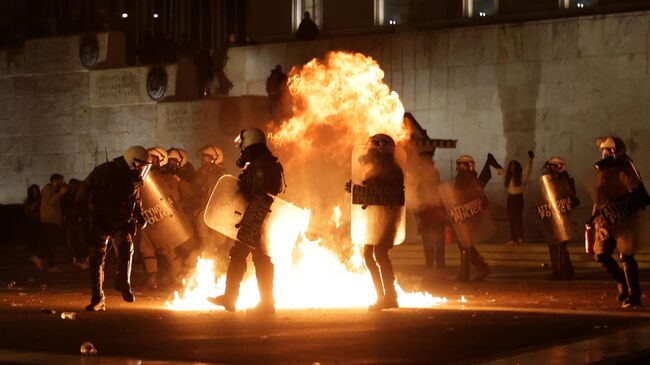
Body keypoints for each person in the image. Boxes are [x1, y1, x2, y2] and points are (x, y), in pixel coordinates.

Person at [208, 128, 284, 314]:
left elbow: (260, 196)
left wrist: (250, 221)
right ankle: (236, 299)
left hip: (256, 219)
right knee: (250, 257)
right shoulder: (262, 163)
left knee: (256, 258)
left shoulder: (261, 166)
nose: (241, 149)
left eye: (243, 145)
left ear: (250, 143)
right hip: (257, 218)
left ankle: (259, 303)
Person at [76, 146, 152, 311]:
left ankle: (123, 281)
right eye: (142, 165)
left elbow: (135, 199)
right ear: (133, 161)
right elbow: (86, 187)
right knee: (96, 256)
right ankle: (98, 298)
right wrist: (78, 208)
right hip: (100, 217)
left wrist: (139, 216)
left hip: (119, 218)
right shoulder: (104, 171)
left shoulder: (133, 177)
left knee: (125, 244)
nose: (143, 169)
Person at [589, 136, 650, 308]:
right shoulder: (602, 170)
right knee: (601, 255)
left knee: (626, 256)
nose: (602, 152)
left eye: (605, 149)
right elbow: (599, 197)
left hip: (623, 218)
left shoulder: (624, 167)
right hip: (606, 219)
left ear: (613, 150)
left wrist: (621, 205)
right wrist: (593, 218)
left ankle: (634, 295)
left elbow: (635, 191)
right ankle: (622, 282)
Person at [355, 134, 404, 311]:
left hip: (387, 217)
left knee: (380, 254)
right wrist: (356, 191)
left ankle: (390, 296)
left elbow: (391, 195)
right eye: (376, 145)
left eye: (382, 145)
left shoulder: (394, 170)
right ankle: (382, 296)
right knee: (368, 256)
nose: (378, 148)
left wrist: (370, 188)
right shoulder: (371, 168)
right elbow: (370, 194)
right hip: (373, 218)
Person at [450, 155, 491, 282]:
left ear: (470, 166)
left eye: (463, 165)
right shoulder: (461, 180)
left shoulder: (471, 180)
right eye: (460, 165)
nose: (461, 167)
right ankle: (482, 268)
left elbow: (480, 199)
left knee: (464, 244)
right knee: (466, 244)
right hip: (462, 215)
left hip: (470, 216)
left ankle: (465, 273)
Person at [537, 157, 577, 280]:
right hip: (554, 216)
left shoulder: (564, 180)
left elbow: (568, 197)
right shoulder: (554, 179)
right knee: (557, 244)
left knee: (558, 244)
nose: (550, 169)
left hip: (561, 217)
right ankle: (566, 270)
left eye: (552, 166)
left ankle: (560, 271)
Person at [413, 152, 446, 270]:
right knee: (429, 240)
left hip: (434, 213)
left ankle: (436, 262)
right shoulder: (423, 182)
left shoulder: (433, 180)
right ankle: (433, 263)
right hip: (427, 213)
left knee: (437, 240)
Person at [494, 152, 534, 245]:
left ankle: (520, 237)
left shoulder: (521, 176)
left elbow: (528, 168)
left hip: (518, 198)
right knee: (512, 219)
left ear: (516, 167)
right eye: (510, 166)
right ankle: (513, 238)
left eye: (513, 166)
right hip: (510, 198)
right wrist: (491, 160)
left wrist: (531, 159)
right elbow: (499, 168)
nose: (512, 168)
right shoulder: (507, 176)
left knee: (518, 218)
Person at [40, 173, 68, 271]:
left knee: (53, 243)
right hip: (49, 221)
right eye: (60, 181)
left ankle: (46, 263)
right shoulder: (48, 189)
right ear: (54, 181)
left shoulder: (54, 191)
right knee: (50, 243)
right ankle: (49, 264)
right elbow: (51, 202)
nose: (62, 183)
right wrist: (60, 193)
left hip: (54, 221)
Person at [61, 178, 88, 269]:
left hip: (76, 219)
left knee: (79, 239)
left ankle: (77, 256)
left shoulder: (76, 195)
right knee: (71, 239)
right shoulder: (69, 196)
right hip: (71, 220)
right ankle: (73, 257)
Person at [24, 184, 44, 270]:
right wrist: (31, 207)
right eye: (33, 191)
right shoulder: (28, 201)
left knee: (40, 241)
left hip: (40, 223)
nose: (35, 193)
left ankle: (38, 259)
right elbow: (26, 211)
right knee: (32, 241)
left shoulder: (41, 200)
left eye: (36, 191)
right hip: (32, 224)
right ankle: (34, 258)